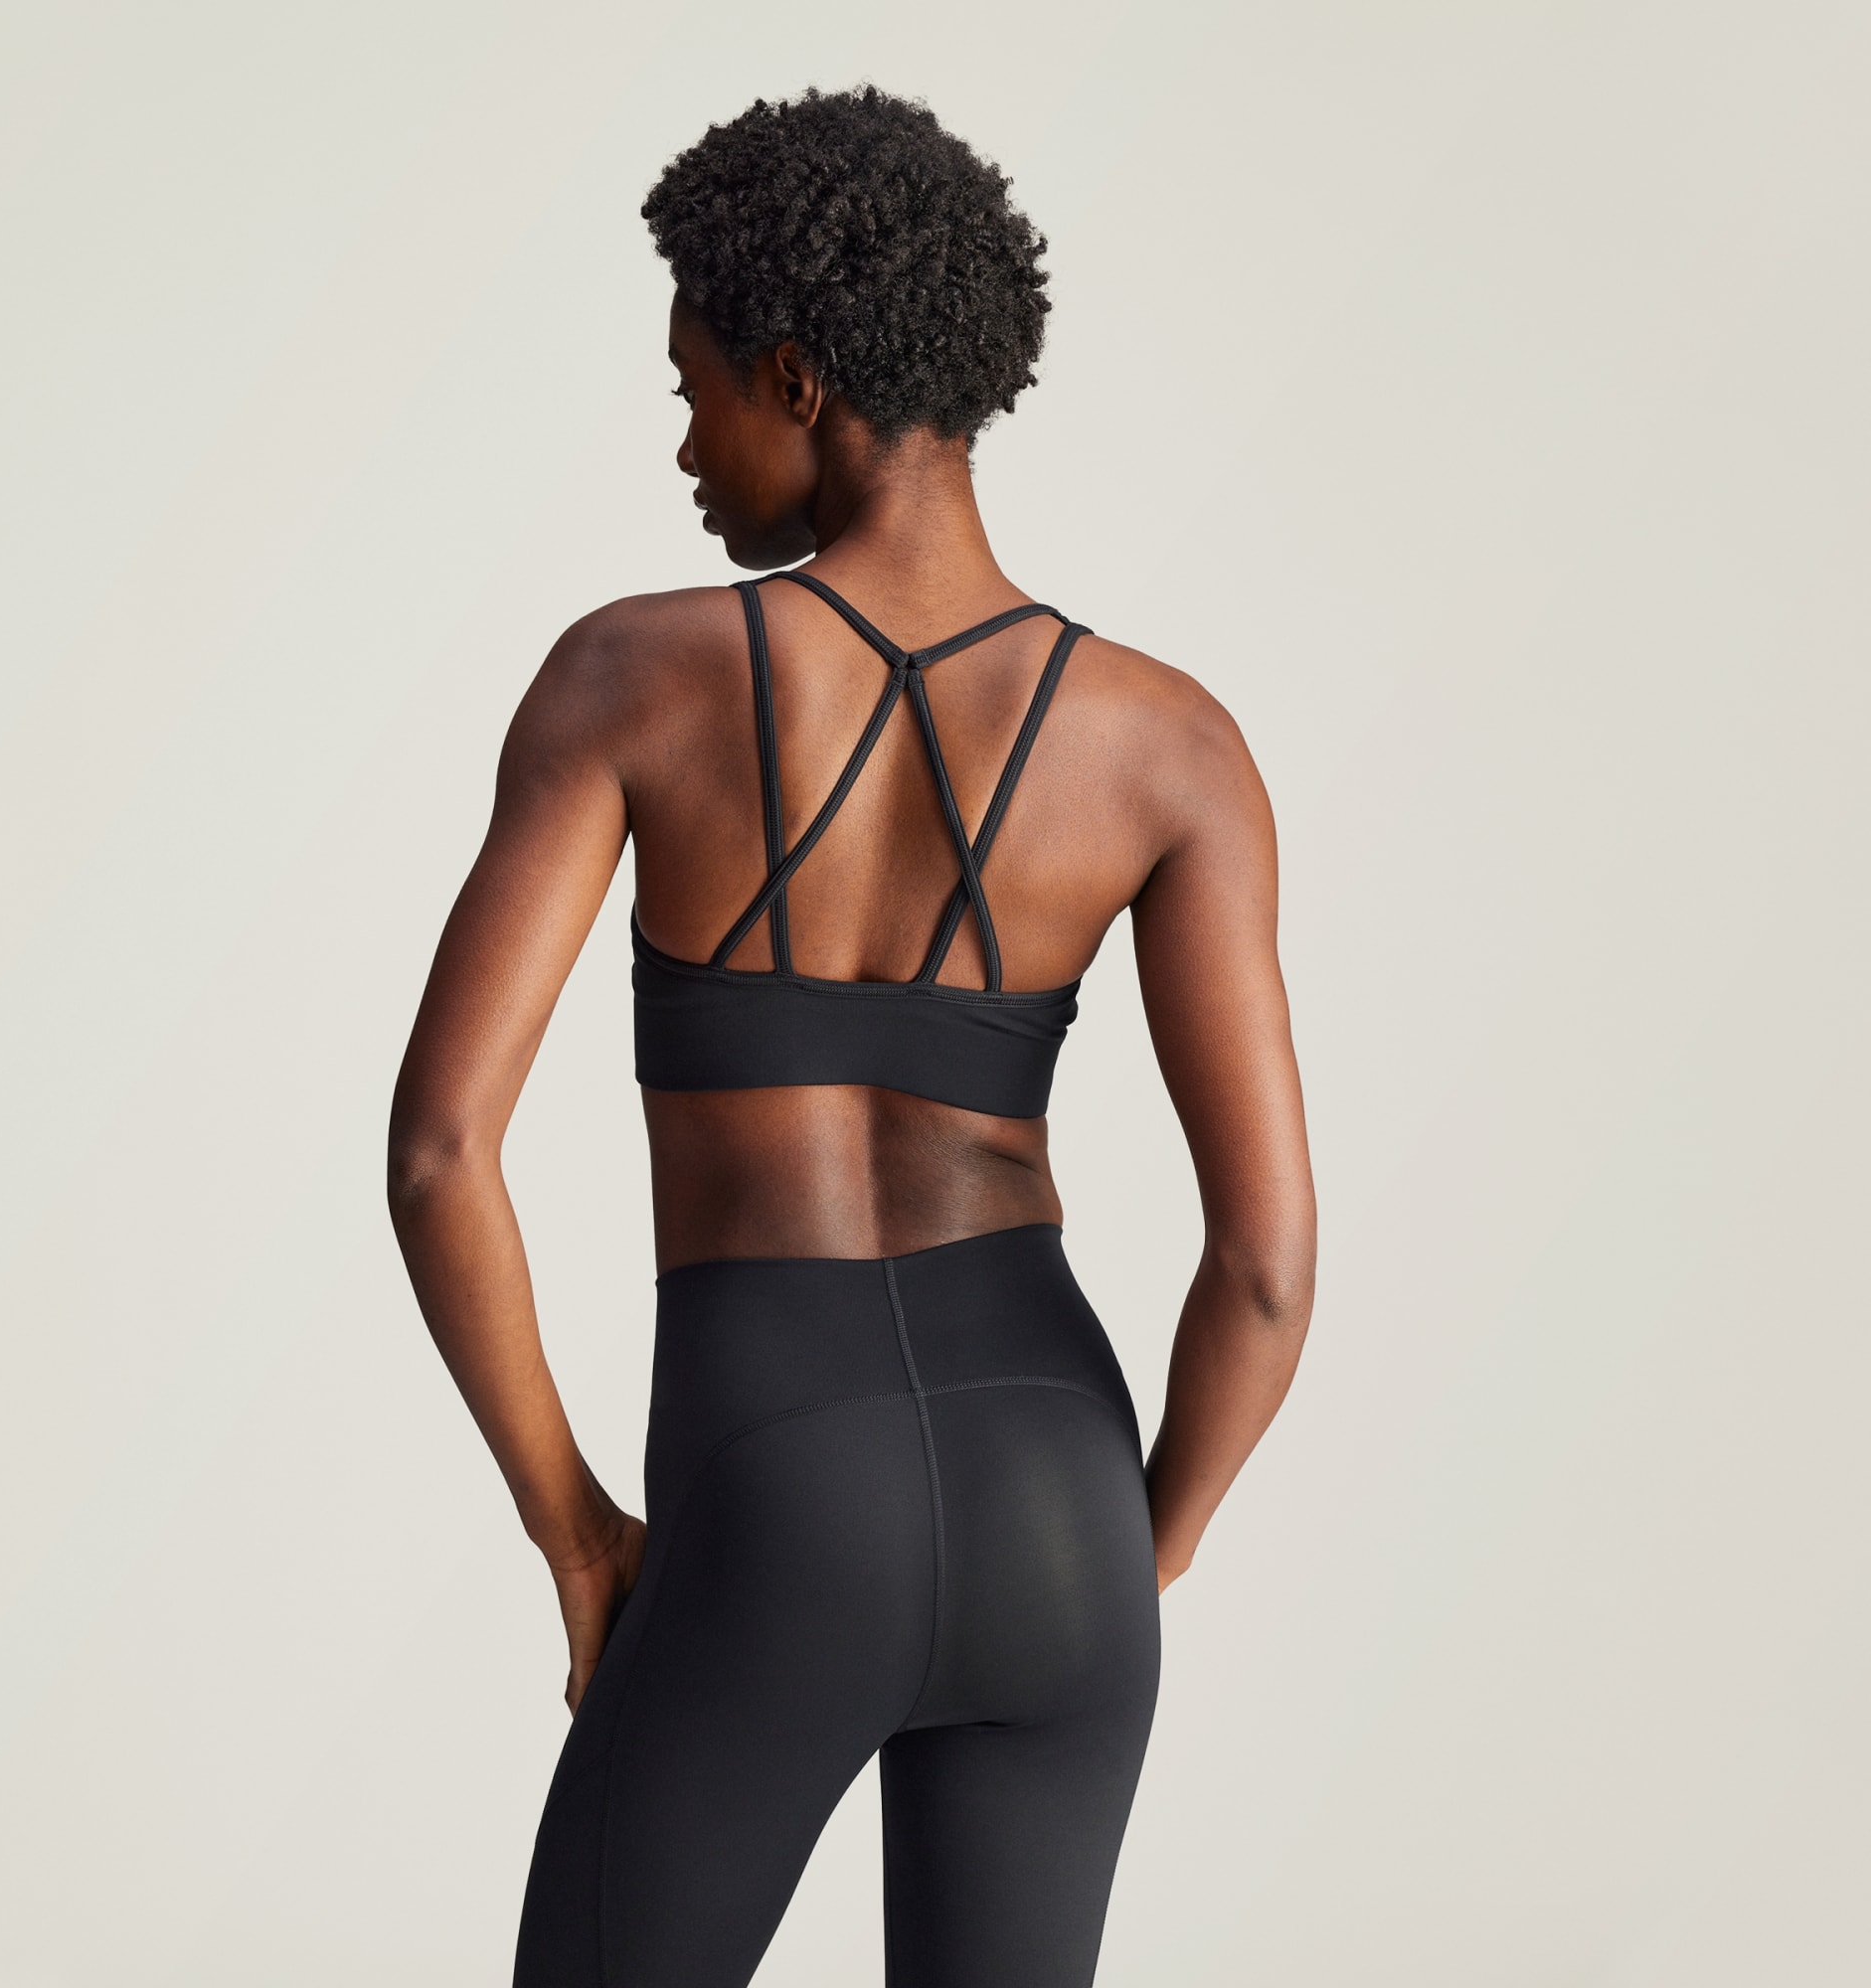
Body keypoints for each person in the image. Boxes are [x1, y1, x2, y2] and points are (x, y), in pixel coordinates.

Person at [388, 84, 1315, 1988]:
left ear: (798, 380)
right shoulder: (1174, 746)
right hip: (1062, 1482)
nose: (684, 443)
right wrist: (1137, 1552)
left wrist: (578, 1534)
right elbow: (1268, 1269)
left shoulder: (636, 675)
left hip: (777, 1489)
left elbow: (438, 1154)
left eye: (696, 390)